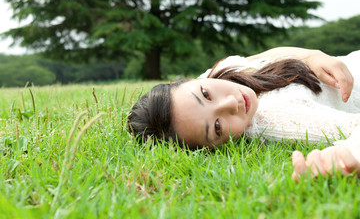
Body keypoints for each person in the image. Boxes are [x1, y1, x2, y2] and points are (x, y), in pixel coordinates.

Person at [128, 47, 360, 179]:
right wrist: (348, 158)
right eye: (217, 127)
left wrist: (313, 56)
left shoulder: (215, 74)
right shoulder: (277, 120)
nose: (231, 102)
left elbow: (266, 56)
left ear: (191, 81)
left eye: (206, 95)